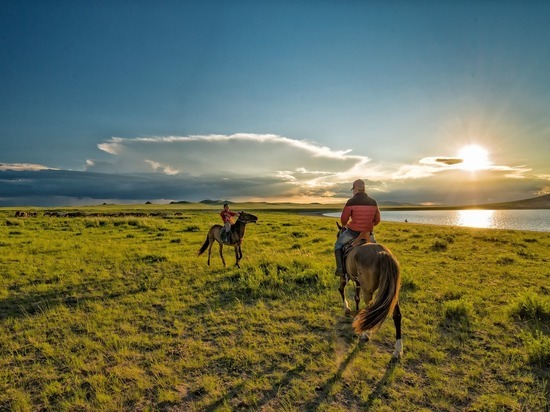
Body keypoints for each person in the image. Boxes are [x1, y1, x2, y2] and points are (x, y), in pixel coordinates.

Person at [334, 179, 381, 276]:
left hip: (352, 233)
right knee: (378, 251)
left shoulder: (351, 202)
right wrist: (369, 226)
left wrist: (344, 225)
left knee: (338, 246)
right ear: (364, 189)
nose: (353, 192)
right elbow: (377, 220)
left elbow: (343, 220)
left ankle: (340, 269)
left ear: (355, 189)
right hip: (368, 234)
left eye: (353, 189)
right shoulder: (373, 202)